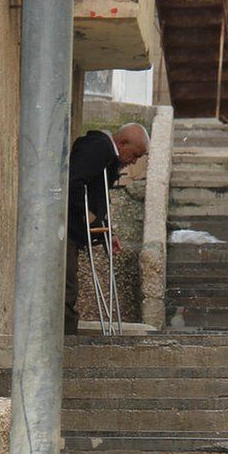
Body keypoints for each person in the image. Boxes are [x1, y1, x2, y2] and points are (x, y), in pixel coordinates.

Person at [64, 123, 150, 335]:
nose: (134, 162)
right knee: (67, 289)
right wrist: (85, 214)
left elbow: (94, 197)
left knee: (69, 288)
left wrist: (106, 233)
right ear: (122, 143)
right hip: (65, 231)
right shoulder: (100, 147)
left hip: (73, 233)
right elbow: (73, 181)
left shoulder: (108, 157)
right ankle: (64, 345)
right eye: (135, 155)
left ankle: (66, 341)